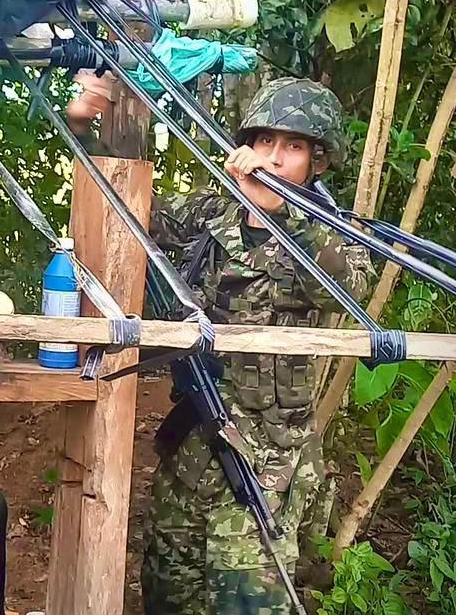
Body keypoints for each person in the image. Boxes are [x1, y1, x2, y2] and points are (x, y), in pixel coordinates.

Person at [136, 77, 374, 614]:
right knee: (168, 594)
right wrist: (90, 123)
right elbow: (126, 204)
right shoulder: (208, 216)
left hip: (267, 463)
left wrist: (284, 213)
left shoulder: (328, 233)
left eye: (293, 148)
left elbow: (348, 289)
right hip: (194, 446)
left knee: (246, 601)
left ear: (317, 162)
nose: (274, 158)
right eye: (265, 142)